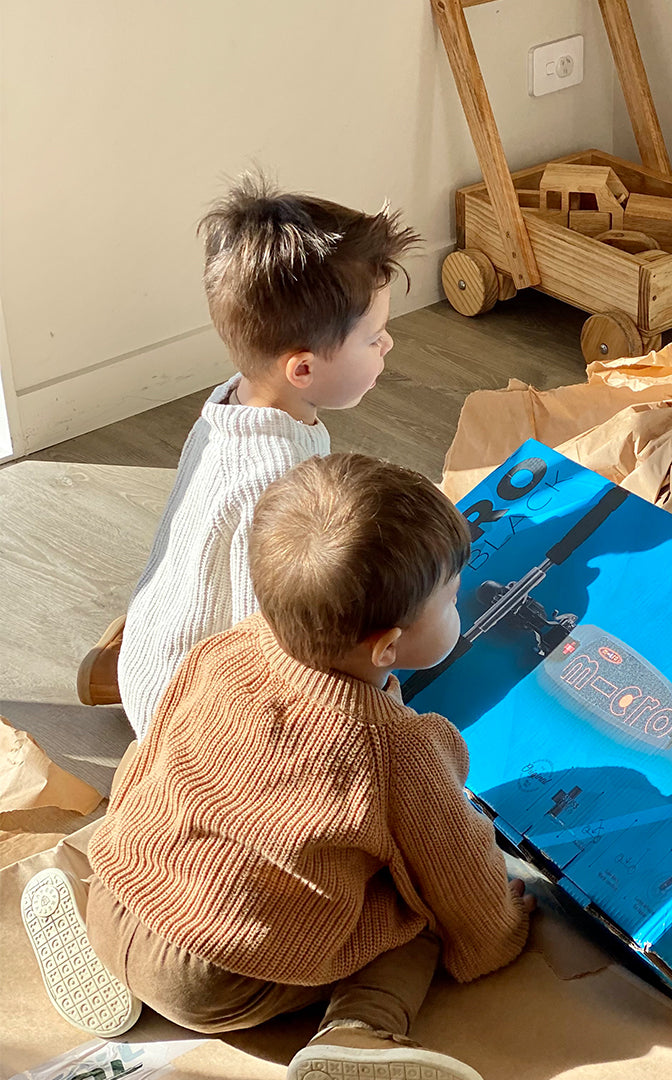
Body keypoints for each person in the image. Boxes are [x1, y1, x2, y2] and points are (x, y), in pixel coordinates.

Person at [22, 453, 534, 1080]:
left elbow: (144, 761)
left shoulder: (223, 649)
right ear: (389, 647)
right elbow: (459, 872)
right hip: (219, 979)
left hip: (118, 894)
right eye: (453, 599)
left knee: (165, 805)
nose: (462, 606)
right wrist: (499, 933)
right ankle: (360, 1032)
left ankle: (91, 925)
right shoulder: (401, 747)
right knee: (416, 916)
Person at [105, 174, 419, 740]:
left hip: (156, 655)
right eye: (374, 337)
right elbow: (280, 642)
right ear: (303, 370)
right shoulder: (274, 480)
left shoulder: (233, 404)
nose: (388, 344)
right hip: (187, 717)